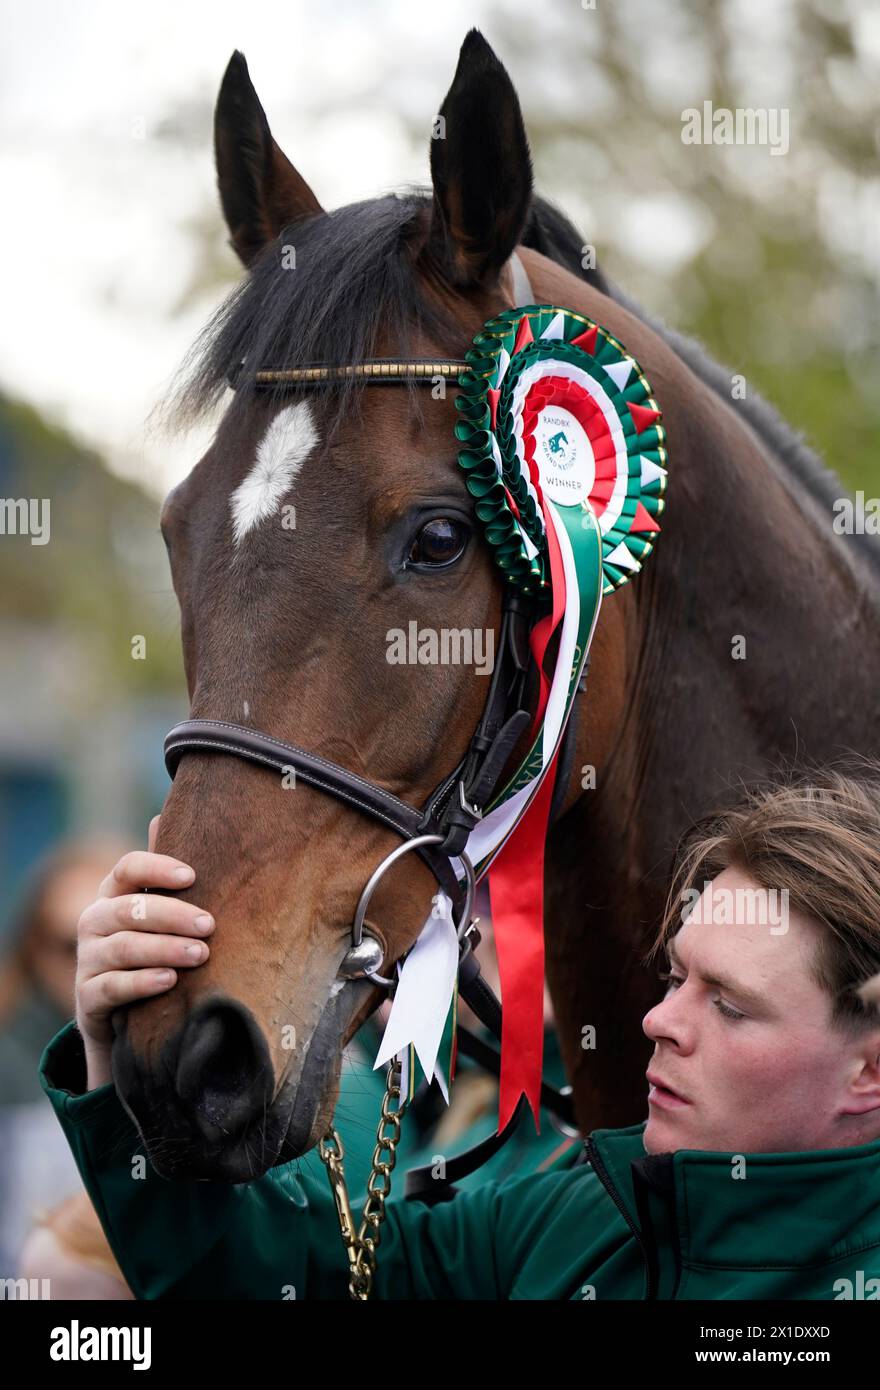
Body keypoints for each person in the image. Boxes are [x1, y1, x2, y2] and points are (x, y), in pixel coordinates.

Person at [36, 767, 880, 1299]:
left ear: (868, 1073)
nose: (660, 1022)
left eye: (728, 1004)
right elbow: (298, 1279)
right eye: (674, 978)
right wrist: (116, 1054)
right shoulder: (581, 1213)